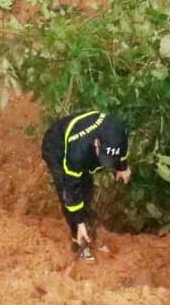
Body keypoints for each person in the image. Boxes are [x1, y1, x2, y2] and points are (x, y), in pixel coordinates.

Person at [41, 111, 131, 262]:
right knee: (71, 192)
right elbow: (70, 191)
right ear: (97, 144)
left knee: (87, 191)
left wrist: (122, 167)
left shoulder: (119, 130)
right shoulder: (78, 152)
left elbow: (122, 149)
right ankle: (79, 241)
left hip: (84, 150)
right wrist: (79, 222)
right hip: (57, 148)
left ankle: (90, 237)